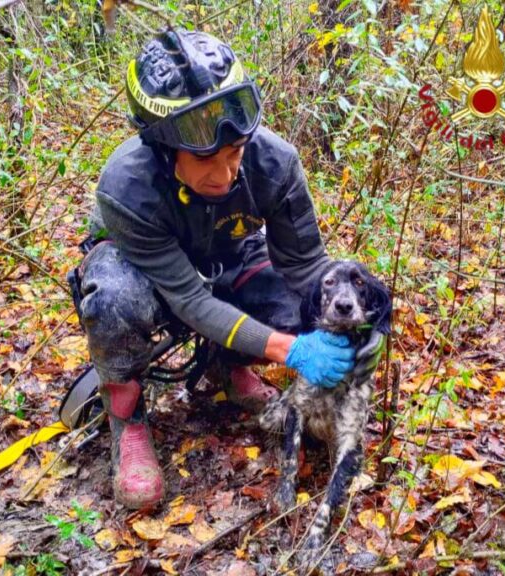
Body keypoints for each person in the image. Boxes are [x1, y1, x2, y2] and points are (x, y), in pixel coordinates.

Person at [76, 29, 384, 509]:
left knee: (300, 309)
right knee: (113, 298)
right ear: (163, 147)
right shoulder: (127, 187)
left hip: (232, 254)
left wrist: (354, 325)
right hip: (148, 274)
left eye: (235, 152)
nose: (225, 175)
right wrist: (289, 351)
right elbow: (189, 300)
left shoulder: (274, 163)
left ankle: (229, 366)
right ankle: (128, 419)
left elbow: (304, 264)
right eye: (204, 159)